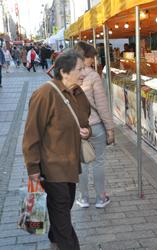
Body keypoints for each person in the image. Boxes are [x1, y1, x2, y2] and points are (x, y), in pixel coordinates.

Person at [22, 50, 91, 250]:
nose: (84, 73)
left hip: (71, 165)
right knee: (62, 215)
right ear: (63, 72)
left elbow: (84, 121)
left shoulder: (77, 92)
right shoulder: (44, 94)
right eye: (80, 69)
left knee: (64, 206)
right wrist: (33, 169)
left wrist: (87, 131)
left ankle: (54, 236)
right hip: (51, 168)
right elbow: (31, 135)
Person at [74, 41, 114, 209]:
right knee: (98, 161)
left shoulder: (68, 75)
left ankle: (83, 198)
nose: (92, 61)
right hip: (95, 125)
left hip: (76, 127)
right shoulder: (92, 76)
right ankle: (100, 198)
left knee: (81, 163)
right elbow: (102, 105)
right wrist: (110, 128)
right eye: (91, 57)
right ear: (85, 57)